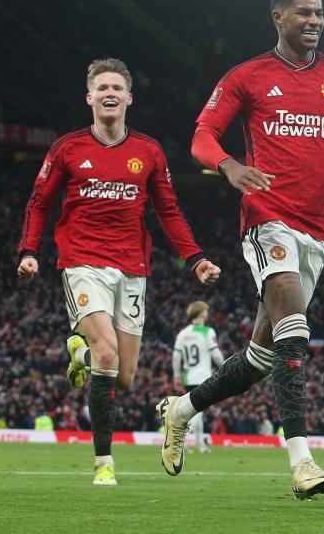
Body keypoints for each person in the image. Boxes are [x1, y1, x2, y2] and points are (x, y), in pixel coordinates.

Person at [156, 0, 324, 499]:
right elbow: (201, 137)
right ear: (277, 17)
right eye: (303, 12)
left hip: (318, 228)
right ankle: (302, 463)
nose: (315, 20)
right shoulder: (249, 76)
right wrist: (230, 166)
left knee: (263, 356)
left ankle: (181, 409)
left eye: (320, 13)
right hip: (267, 218)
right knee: (296, 333)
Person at [17, 58, 220, 486]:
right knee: (108, 354)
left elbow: (168, 210)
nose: (110, 93)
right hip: (82, 261)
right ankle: (103, 463)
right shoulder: (67, 148)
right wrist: (29, 250)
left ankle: (81, 353)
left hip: (133, 268)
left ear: (129, 97)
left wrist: (196, 258)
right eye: (102, 87)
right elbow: (39, 202)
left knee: (123, 377)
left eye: (117, 87)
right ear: (89, 97)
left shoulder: (148, 152)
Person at [173, 301, 225, 453]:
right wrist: (225, 368)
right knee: (196, 413)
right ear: (202, 313)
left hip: (189, 377)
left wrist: (177, 375)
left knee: (196, 412)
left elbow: (176, 356)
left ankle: (200, 445)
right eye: (206, 311)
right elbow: (215, 353)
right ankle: (180, 442)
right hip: (203, 377)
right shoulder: (207, 331)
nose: (207, 314)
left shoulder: (183, 334)